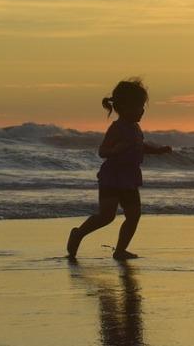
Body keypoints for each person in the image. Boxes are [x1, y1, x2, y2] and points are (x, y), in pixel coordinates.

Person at [68, 78, 171, 261]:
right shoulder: (116, 128)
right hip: (112, 177)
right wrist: (115, 150)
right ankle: (78, 233)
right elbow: (102, 151)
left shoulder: (136, 128)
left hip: (130, 178)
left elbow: (140, 146)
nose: (142, 111)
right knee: (106, 216)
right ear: (124, 107)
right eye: (138, 107)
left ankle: (120, 250)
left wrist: (158, 150)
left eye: (142, 107)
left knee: (134, 215)